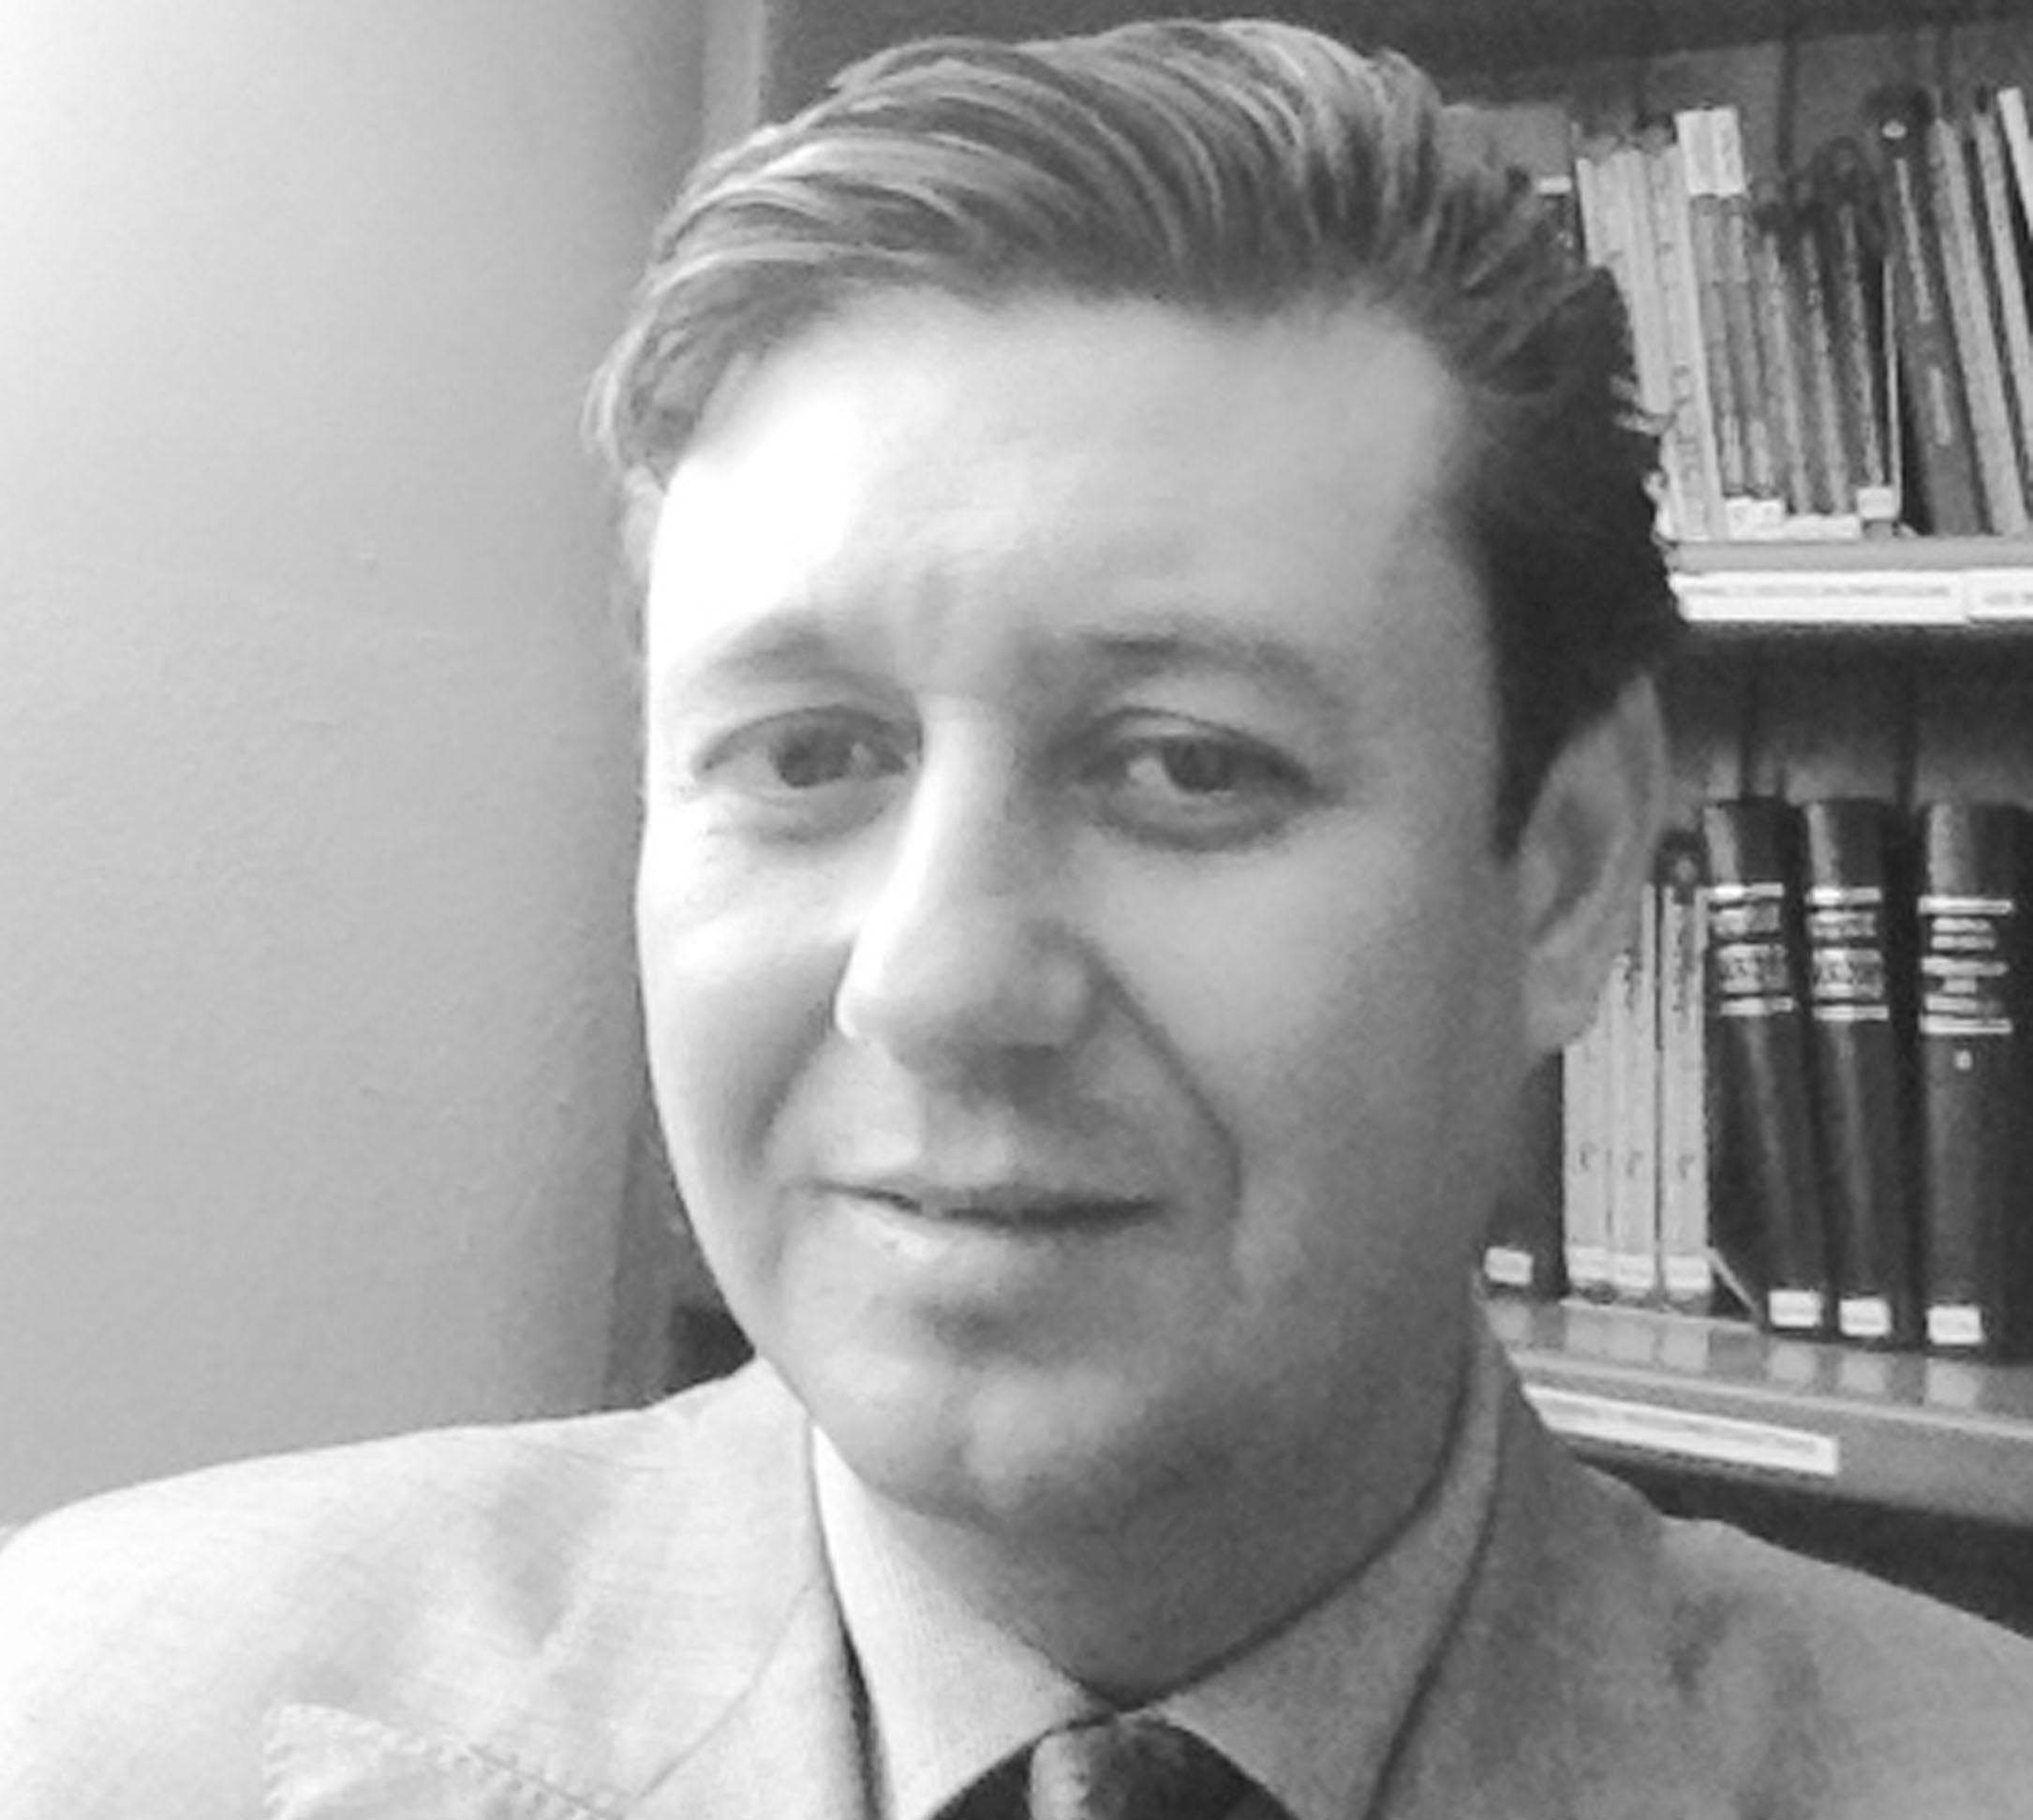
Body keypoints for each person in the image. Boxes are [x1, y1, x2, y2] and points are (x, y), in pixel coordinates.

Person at [3, 19, 2030, 1818]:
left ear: (1567, 871)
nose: (938, 982)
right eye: (806, 755)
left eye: (1188, 766)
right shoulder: (90, 1721)